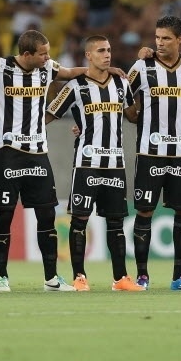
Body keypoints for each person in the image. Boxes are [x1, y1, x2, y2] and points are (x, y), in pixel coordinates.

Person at [0, 30, 120, 292]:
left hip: (38, 154)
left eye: (48, 53)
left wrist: (107, 71)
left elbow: (69, 72)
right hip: (7, 153)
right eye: (43, 54)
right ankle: (1, 277)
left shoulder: (48, 68)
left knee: (46, 216)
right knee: (4, 216)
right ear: (27, 54)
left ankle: (51, 278)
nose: (48, 58)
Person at [46, 35, 143, 291]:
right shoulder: (75, 86)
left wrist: (146, 95)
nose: (107, 55)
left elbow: (133, 115)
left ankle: (120, 278)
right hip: (87, 163)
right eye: (101, 51)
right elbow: (50, 114)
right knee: (79, 220)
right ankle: (80, 277)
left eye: (109, 50)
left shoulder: (121, 84)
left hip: (115, 164)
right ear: (88, 55)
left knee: (116, 223)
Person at [126, 16, 181, 291]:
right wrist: (131, 114)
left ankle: (179, 276)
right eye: (157, 37)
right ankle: (142, 276)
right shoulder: (142, 66)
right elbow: (121, 96)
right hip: (149, 152)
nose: (159, 43)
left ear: (179, 40)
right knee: (145, 211)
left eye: (166, 38)